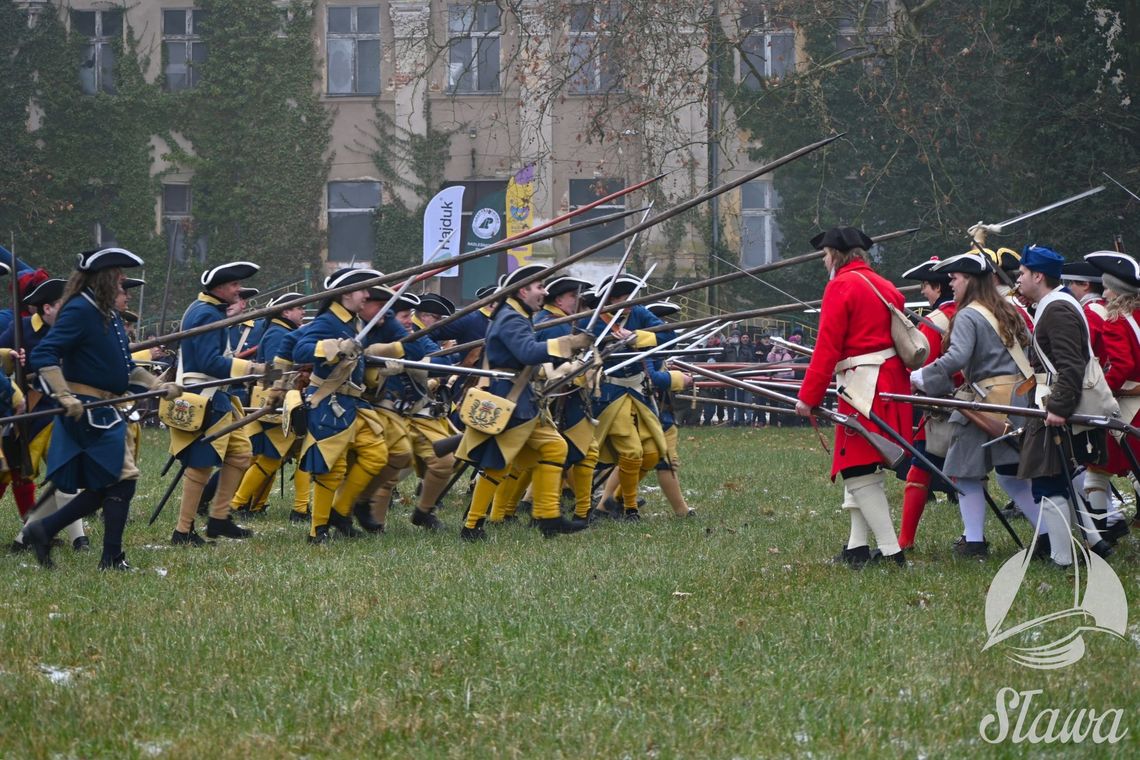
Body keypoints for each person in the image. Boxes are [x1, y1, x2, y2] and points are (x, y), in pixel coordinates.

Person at [23, 247, 181, 570]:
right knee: (122, 479)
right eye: (119, 277)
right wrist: (64, 396)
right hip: (87, 410)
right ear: (105, 279)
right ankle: (111, 558)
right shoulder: (79, 309)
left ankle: (44, 529)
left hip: (106, 409)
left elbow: (124, 372)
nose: (123, 282)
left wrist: (158, 387)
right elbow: (45, 354)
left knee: (103, 486)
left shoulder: (107, 315)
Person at [909, 252, 1046, 557]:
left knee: (965, 473)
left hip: (985, 403)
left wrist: (922, 375)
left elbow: (957, 357)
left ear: (969, 280)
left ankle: (975, 541)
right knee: (1011, 476)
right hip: (1016, 399)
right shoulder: (1007, 308)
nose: (951, 284)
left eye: (955, 278)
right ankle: (1047, 536)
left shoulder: (970, 314)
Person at [795, 226, 910, 567]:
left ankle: (892, 553)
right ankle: (857, 548)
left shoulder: (841, 285)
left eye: (825, 254)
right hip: (889, 386)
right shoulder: (885, 286)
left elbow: (827, 346)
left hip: (864, 387)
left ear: (837, 255)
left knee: (857, 469)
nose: (823, 261)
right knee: (864, 468)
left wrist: (809, 396)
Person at [457, 264, 593, 538]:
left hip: (522, 397)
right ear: (523, 290)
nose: (544, 291)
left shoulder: (517, 315)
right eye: (539, 286)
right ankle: (473, 525)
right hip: (511, 399)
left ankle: (546, 516)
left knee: (553, 449)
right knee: (498, 463)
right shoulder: (511, 318)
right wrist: (568, 344)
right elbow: (527, 352)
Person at [1014, 245, 1115, 566]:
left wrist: (1058, 407)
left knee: (1047, 481)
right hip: (1054, 401)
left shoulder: (1057, 309)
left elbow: (1071, 365)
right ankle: (1092, 544)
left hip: (1060, 406)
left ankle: (1063, 558)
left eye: (1022, 273)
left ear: (1038, 275)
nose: (1018, 278)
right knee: (1056, 478)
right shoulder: (1052, 304)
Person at [292, 269, 406, 544]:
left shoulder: (353, 323)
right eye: (363, 290)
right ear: (345, 294)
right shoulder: (328, 321)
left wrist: (382, 366)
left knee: (377, 455)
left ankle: (341, 512)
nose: (367, 296)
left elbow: (357, 361)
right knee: (332, 469)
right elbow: (300, 350)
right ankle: (317, 530)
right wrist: (334, 347)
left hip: (352, 402)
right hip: (329, 402)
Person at [167, 262, 264, 546]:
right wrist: (252, 369)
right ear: (220, 288)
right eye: (234, 285)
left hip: (216, 397)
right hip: (206, 398)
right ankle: (183, 531)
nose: (238, 290)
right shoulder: (208, 315)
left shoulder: (206, 310)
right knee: (200, 466)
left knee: (240, 454)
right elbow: (211, 362)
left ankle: (219, 517)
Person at [895, 257, 957, 551]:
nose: (923, 292)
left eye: (926, 287)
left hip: (943, 405)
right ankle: (974, 537)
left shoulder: (937, 321)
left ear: (938, 286)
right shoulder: (975, 312)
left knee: (919, 466)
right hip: (975, 399)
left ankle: (904, 540)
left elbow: (928, 367)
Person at [229, 292, 305, 514]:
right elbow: (273, 373)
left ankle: (255, 504)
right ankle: (239, 504)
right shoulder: (279, 335)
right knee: (270, 457)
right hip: (279, 400)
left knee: (278, 457)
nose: (302, 312)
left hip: (285, 399)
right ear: (285, 311)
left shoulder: (283, 332)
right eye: (299, 308)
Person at [1082, 251, 1140, 543]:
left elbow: (1122, 365)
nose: (1103, 293)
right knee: (1099, 468)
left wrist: (1104, 387)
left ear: (1116, 290)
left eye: (1106, 288)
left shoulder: (1117, 320)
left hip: (1128, 405)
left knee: (1099, 469)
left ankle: (1100, 533)